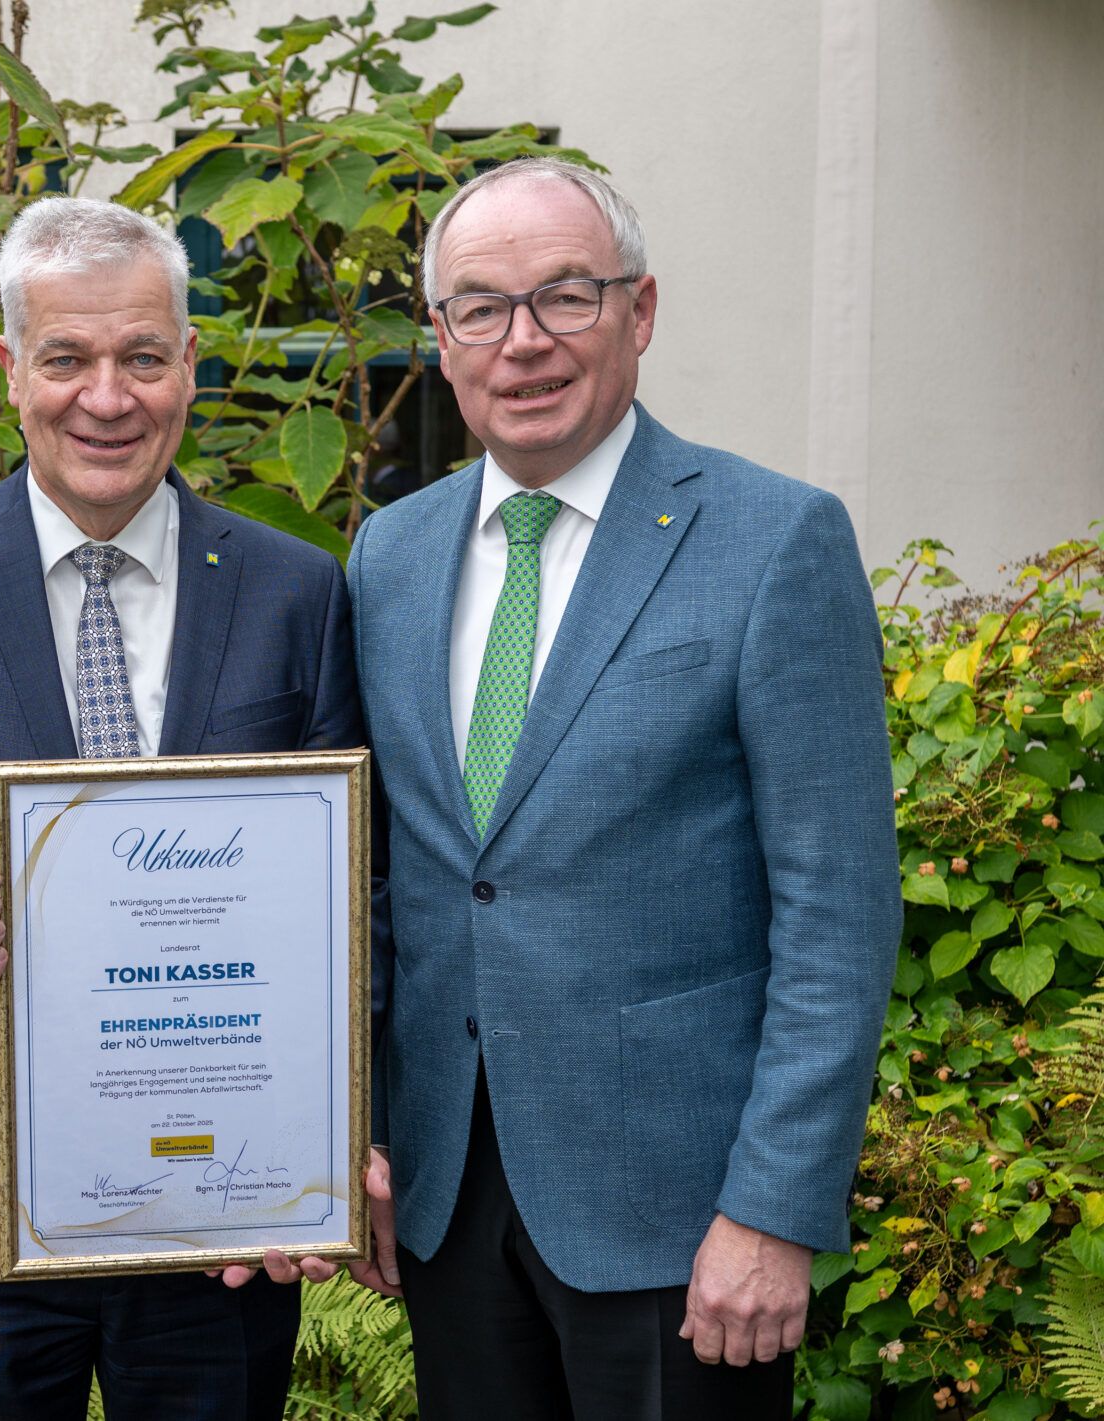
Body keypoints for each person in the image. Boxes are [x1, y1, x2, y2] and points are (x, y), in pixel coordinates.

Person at [340, 157, 901, 1416]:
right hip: (444, 1200)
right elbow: (381, 880)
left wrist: (772, 1205)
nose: (521, 342)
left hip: (681, 1220)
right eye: (479, 307)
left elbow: (837, 913)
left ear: (638, 312)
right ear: (438, 341)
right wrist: (356, 1136)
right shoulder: (390, 551)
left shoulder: (772, 541)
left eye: (565, 297)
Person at [0, 195, 361, 1420]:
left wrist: (337, 1132)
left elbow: (354, 893)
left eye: (141, 356)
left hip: (228, 1202)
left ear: (187, 366)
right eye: (67, 358)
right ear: (10, 371)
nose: (106, 395)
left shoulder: (295, 591)